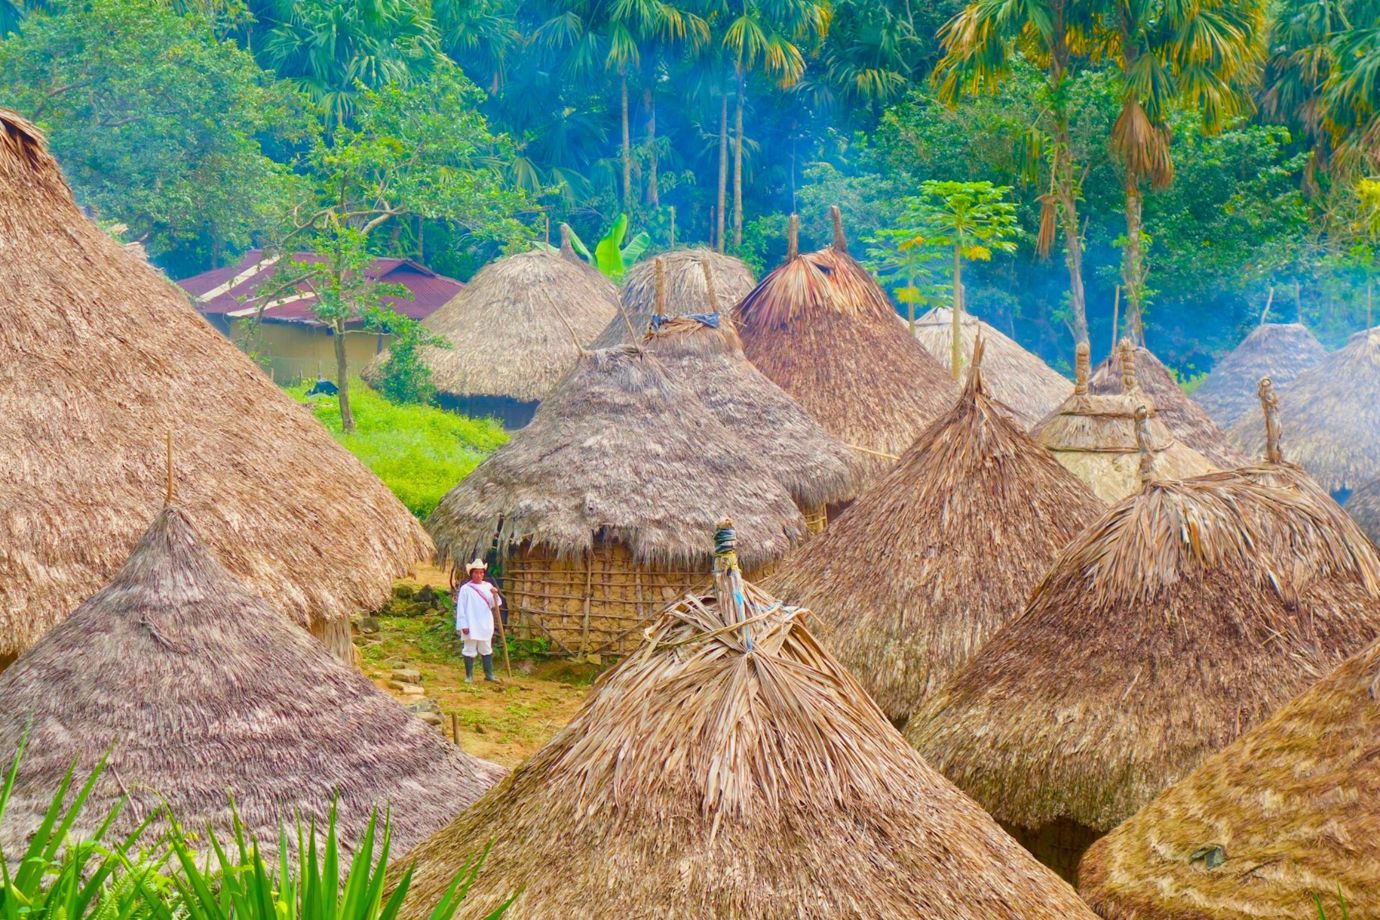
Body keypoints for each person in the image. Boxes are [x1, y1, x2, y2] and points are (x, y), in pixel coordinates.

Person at [455, 558, 502, 683]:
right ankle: (469, 676)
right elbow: (461, 608)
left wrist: (495, 594)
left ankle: (489, 675)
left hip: (485, 623)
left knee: (486, 648)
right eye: (476, 572)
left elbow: (495, 604)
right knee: (469, 649)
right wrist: (463, 625)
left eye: (481, 572)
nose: (479, 575)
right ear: (471, 573)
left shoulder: (488, 586)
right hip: (471, 623)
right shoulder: (466, 589)